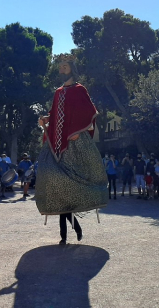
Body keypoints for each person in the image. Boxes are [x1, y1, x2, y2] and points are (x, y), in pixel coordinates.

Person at [36, 54, 107, 245]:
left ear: (72, 69)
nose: (61, 70)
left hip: (74, 142)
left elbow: (88, 112)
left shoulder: (79, 90)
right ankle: (67, 234)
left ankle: (69, 233)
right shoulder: (58, 92)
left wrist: (78, 130)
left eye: (65, 66)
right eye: (60, 67)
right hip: (57, 146)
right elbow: (55, 115)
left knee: (71, 188)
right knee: (55, 182)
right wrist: (46, 120)